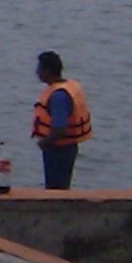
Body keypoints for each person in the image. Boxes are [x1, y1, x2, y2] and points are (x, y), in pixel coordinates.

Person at [33, 50, 92, 190]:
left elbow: (59, 128)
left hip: (58, 150)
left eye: (39, 68)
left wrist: (43, 142)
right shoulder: (69, 87)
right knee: (61, 186)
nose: (37, 72)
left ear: (48, 71)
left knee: (56, 188)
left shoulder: (58, 96)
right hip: (67, 147)